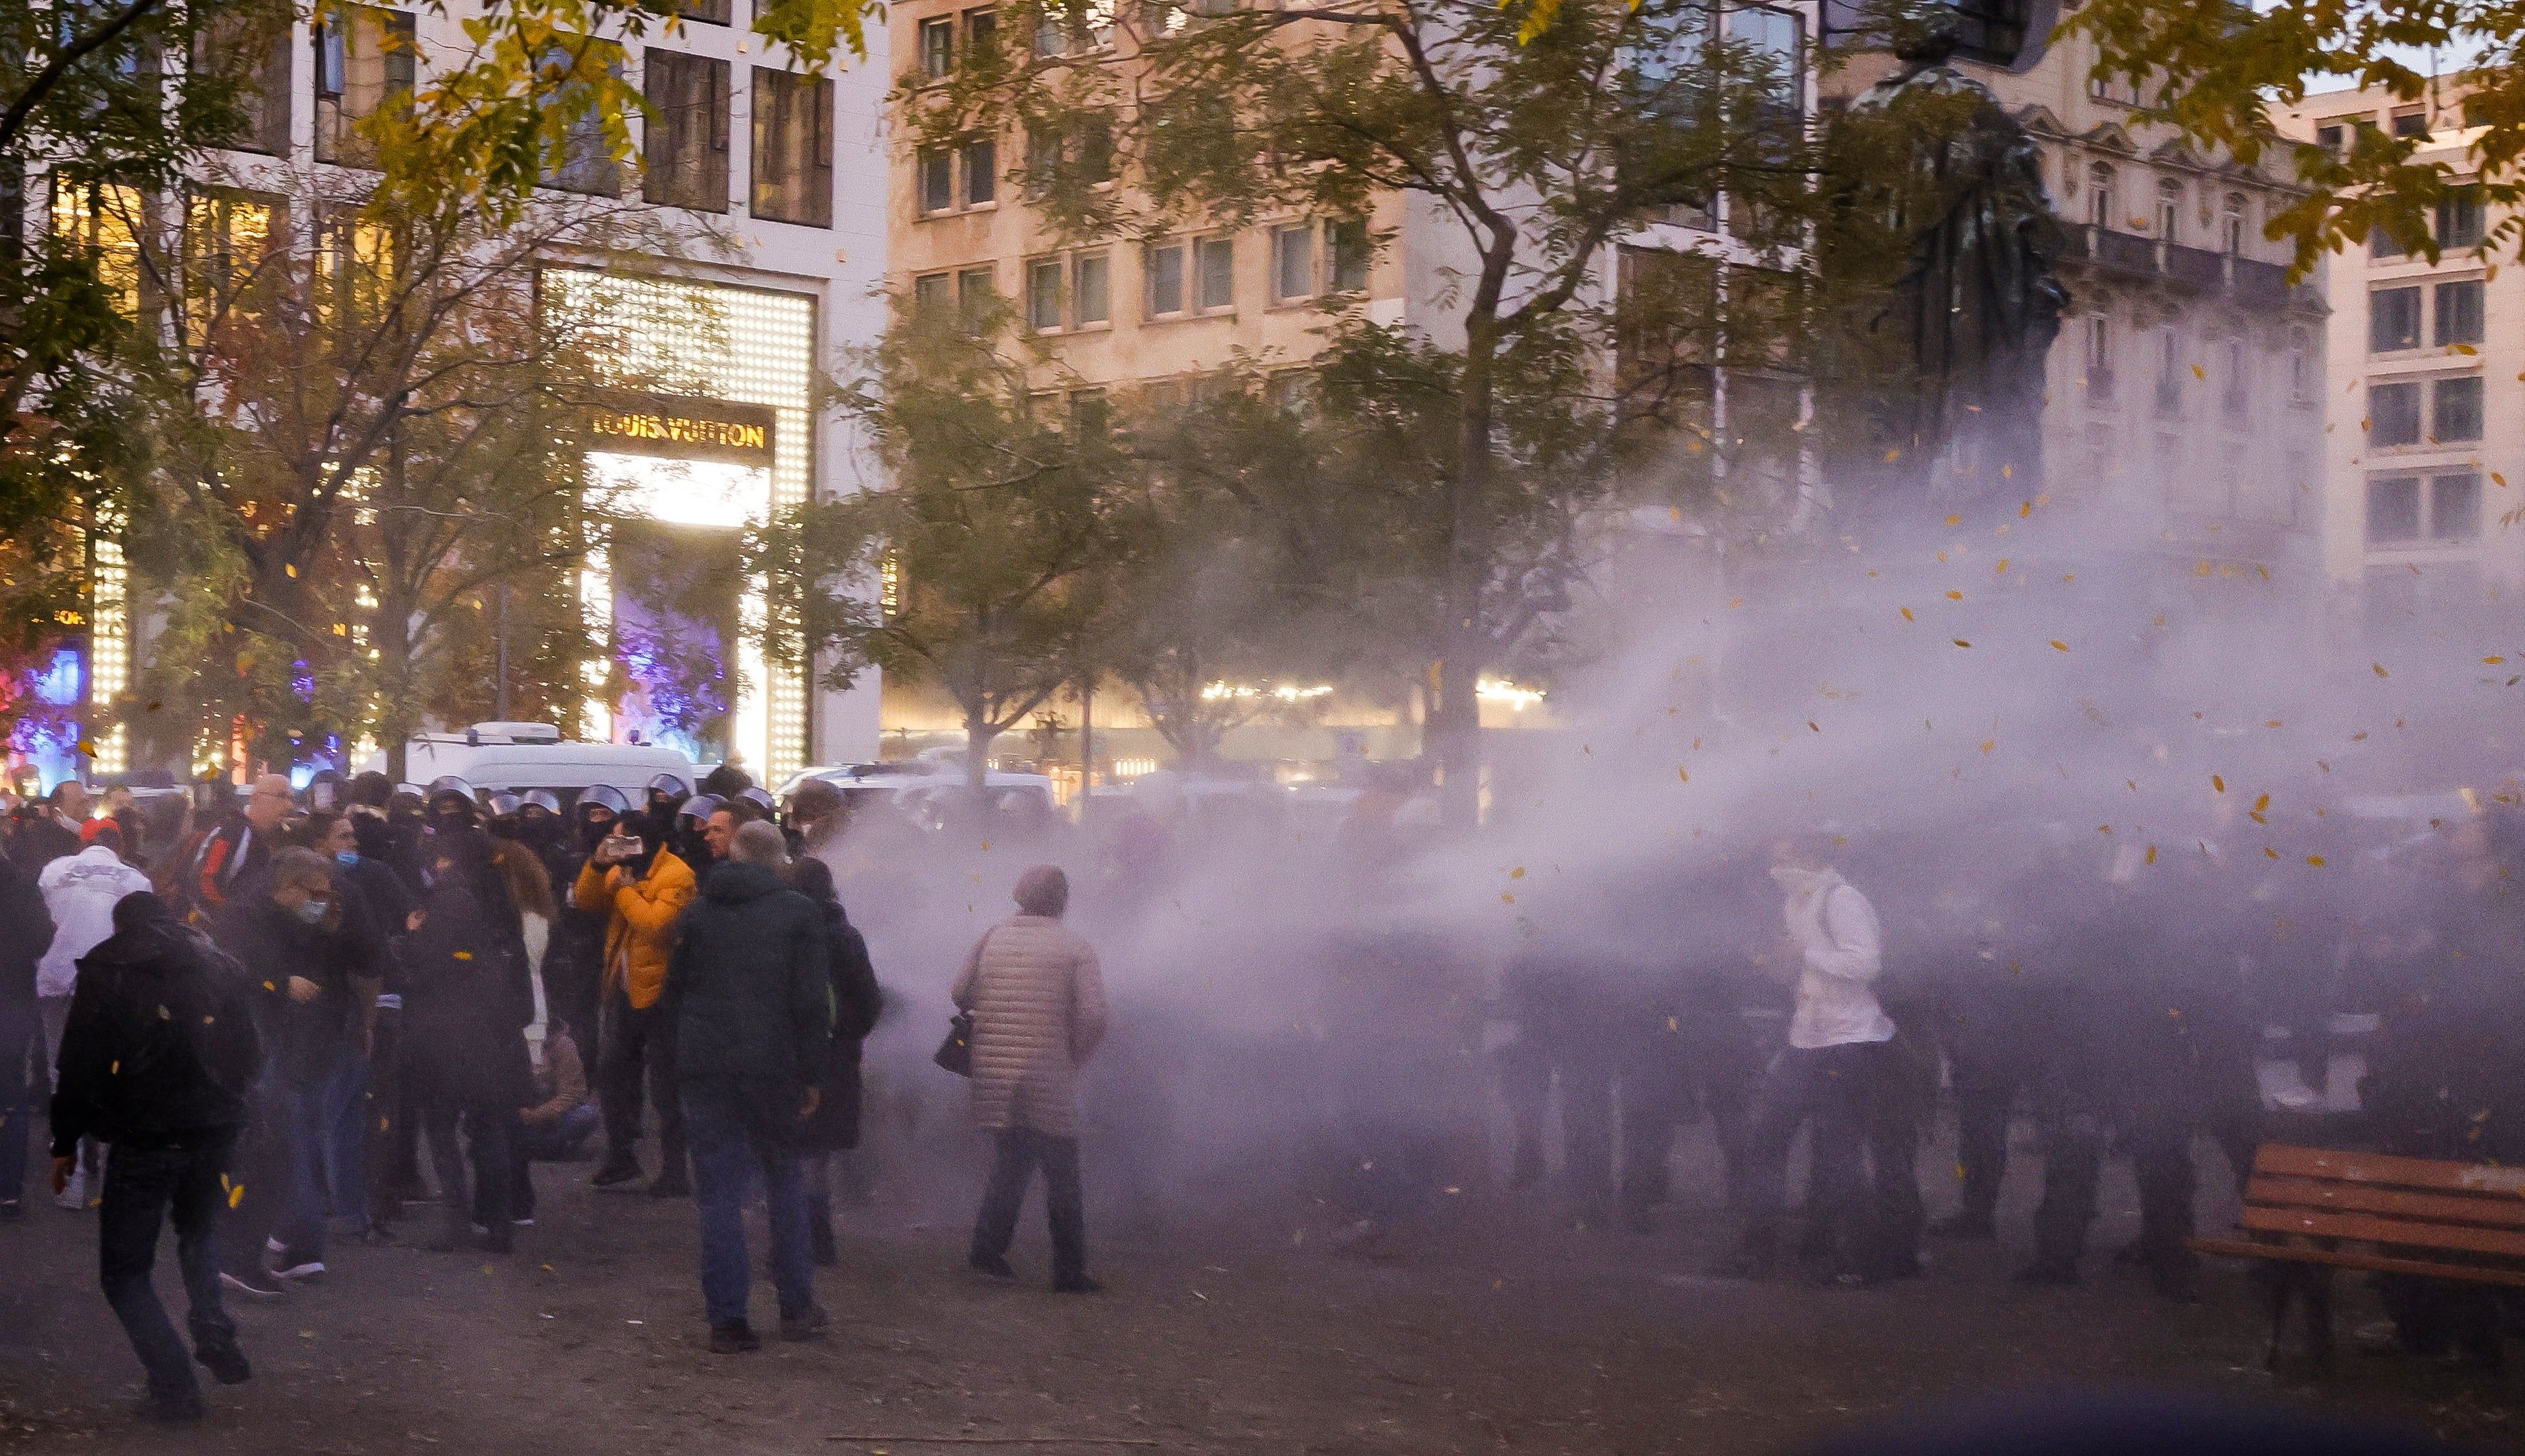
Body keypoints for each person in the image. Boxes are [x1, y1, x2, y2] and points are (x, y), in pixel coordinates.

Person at [49, 893, 262, 1423]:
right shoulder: (220, 961)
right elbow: (251, 1053)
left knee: (125, 1274)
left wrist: (66, 1140)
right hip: (213, 1128)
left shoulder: (108, 966)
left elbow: (78, 1063)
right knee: (199, 1230)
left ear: (122, 925)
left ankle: (175, 1388)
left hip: (146, 1134)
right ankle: (212, 1326)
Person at [663, 821, 832, 1352]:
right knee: (784, 1181)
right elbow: (809, 1004)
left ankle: (727, 1321)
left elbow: (674, 993)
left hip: (707, 1070)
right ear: (779, 860)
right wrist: (812, 1075)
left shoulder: (698, 911)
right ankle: (796, 1305)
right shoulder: (800, 914)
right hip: (773, 1068)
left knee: (718, 1194)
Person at [1731, 839, 1919, 1286]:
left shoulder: (1843, 899)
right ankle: (1758, 1249)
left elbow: (1866, 964)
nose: (1777, 867)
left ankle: (1861, 1259)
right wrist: (1775, 965)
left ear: (1813, 857)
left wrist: (1805, 956)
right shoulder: (1796, 905)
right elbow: (1798, 971)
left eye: (1786, 857)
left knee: (1840, 1154)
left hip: (1851, 1041)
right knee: (1769, 1141)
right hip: (1807, 1037)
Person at [211, 847, 380, 1284]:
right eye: (315, 893)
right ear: (288, 888)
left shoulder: (315, 923)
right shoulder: (245, 918)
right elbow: (234, 971)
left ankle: (293, 1248)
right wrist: (278, 982)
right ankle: (281, 1246)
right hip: (261, 1046)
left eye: (327, 894)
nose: (322, 901)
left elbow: (361, 963)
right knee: (279, 1149)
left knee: (289, 1146)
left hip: (304, 1046)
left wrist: (333, 931)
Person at [954, 864, 1110, 1293]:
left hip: (994, 1068)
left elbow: (959, 991)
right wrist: (1074, 1056)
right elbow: (1094, 1015)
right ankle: (1069, 1269)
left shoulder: (992, 936)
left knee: (1012, 1161)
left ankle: (987, 1251)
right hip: (1047, 1070)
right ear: (1062, 900)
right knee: (1062, 1171)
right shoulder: (1075, 947)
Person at [399, 829, 535, 1253]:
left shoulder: (442, 905)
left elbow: (426, 968)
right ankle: (498, 1224)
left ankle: (457, 1223)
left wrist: (409, 936)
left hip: (440, 1036)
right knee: (487, 1130)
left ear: (443, 861)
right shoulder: (492, 902)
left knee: (442, 1133)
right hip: (484, 1036)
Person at [574, 809, 698, 1195]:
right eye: (612, 839)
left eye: (624, 840)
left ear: (643, 841)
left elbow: (656, 926)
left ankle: (675, 1170)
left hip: (661, 994)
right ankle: (621, 1157)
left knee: (665, 1085)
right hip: (625, 989)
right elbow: (586, 902)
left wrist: (625, 889)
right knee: (613, 1075)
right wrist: (598, 865)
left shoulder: (676, 874)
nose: (617, 846)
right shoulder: (619, 869)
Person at [38, 823, 154, 1211]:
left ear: (84, 842)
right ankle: (110, 1180)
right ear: (119, 843)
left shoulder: (55, 869)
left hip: (54, 977)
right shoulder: (136, 880)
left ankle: (68, 1185)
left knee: (62, 1075)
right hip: (109, 985)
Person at [792, 858, 883, 1266]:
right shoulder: (844, 937)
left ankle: (797, 1235)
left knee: (791, 1147)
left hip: (789, 1052)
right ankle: (818, 1240)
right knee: (817, 1152)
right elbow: (869, 1001)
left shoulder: (783, 933)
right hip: (835, 1057)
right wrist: (845, 1035)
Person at [0, 848, 58, 1219]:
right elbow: (41, 937)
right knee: (9, 1095)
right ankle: (7, 1193)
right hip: (12, 998)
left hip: (13, 1000)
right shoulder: (20, 882)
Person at [188, 774, 292, 918]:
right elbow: (206, 882)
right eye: (282, 796)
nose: (289, 805)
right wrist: (231, 919)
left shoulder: (283, 837)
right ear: (256, 799)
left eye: (290, 798)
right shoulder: (233, 832)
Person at [10, 780, 88, 873]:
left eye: (87, 802)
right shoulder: (43, 836)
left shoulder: (89, 834)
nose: (87, 808)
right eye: (81, 803)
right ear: (58, 805)